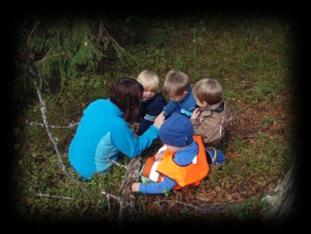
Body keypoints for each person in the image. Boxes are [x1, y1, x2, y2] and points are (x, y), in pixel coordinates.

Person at [68, 78, 165, 180]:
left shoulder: (97, 103)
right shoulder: (117, 125)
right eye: (140, 99)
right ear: (131, 105)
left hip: (73, 156)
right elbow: (134, 149)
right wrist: (155, 128)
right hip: (92, 171)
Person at [131, 112, 209, 194]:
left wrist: (142, 187)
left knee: (148, 169)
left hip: (180, 177)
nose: (166, 145)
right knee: (156, 158)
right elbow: (176, 149)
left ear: (177, 144)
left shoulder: (177, 167)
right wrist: (164, 153)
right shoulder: (192, 140)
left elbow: (163, 187)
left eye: (167, 144)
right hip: (196, 166)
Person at [190, 78, 231, 164]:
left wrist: (193, 121)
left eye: (196, 100)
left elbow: (201, 136)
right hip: (213, 133)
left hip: (211, 143)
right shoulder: (218, 105)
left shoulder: (212, 121)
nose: (195, 102)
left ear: (204, 103)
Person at [135, 70, 166, 135]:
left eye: (153, 91)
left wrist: (138, 132)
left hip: (157, 118)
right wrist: (136, 121)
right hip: (145, 112)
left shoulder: (157, 103)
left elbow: (148, 121)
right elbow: (136, 108)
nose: (149, 94)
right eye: (146, 90)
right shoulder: (137, 95)